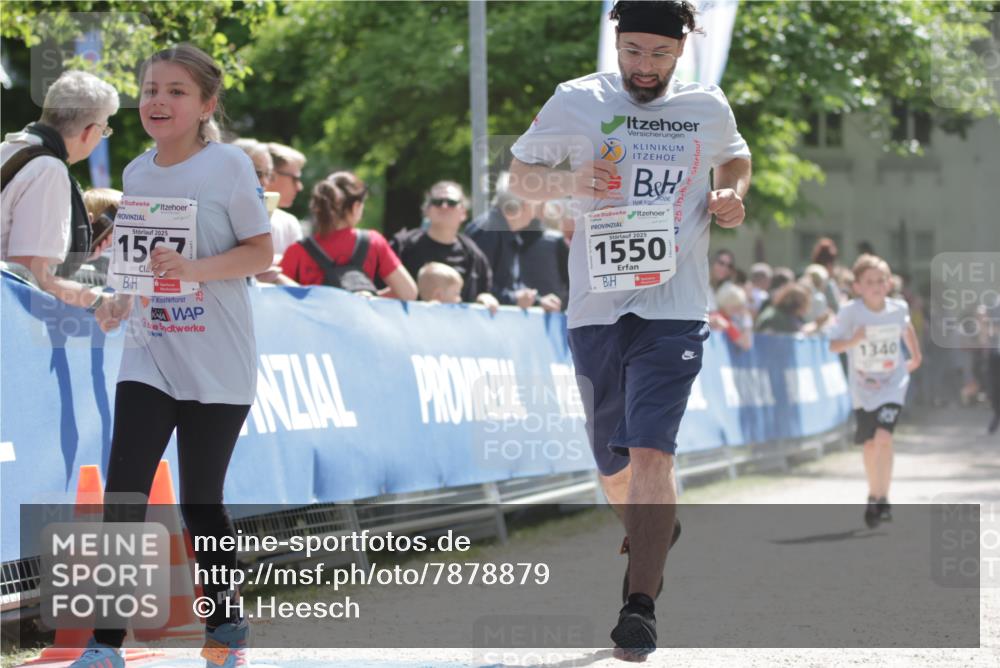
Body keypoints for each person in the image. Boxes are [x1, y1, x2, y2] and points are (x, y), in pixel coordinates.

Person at [507, 0, 752, 658]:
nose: (645, 67)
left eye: (660, 54)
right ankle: (652, 529)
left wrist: (731, 196)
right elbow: (519, 178)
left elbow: (734, 160)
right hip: (596, 306)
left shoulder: (707, 105)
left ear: (682, 51)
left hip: (675, 305)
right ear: (617, 45)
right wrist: (571, 178)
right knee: (612, 462)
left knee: (653, 452)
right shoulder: (575, 99)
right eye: (633, 52)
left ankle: (639, 605)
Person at [70, 44, 274, 668]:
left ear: (207, 103)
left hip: (218, 356)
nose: (158, 100)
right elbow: (138, 265)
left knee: (200, 502)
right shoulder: (135, 173)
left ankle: (226, 625)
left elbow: (261, 253)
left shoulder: (230, 167)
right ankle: (104, 646)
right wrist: (119, 298)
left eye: (176, 91)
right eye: (150, 88)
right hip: (152, 350)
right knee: (125, 494)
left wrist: (195, 269)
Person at [1, 70, 120, 323]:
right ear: (89, 131)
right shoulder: (48, 171)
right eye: (105, 129)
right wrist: (100, 300)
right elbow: (27, 279)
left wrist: (70, 249)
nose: (101, 137)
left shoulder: (10, 150)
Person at [828, 254, 922, 529]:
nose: (877, 286)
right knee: (870, 444)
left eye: (881, 280)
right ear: (857, 286)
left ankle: (883, 495)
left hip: (893, 383)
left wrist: (915, 356)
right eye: (870, 282)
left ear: (889, 282)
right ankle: (876, 494)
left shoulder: (898, 307)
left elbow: (907, 329)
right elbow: (833, 345)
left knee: (883, 437)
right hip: (863, 388)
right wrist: (853, 340)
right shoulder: (850, 312)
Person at [278, 171, 417, 299]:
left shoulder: (298, 251)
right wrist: (369, 298)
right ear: (356, 206)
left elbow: (278, 296)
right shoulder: (373, 242)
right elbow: (408, 292)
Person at [465, 172, 569, 312]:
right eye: (535, 205)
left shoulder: (505, 232)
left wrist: (538, 301)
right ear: (524, 206)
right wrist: (515, 298)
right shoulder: (488, 231)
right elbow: (476, 288)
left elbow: (510, 286)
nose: (534, 214)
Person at [390, 181, 499, 311]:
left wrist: (484, 298)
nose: (444, 206)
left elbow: (485, 292)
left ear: (463, 212)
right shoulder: (402, 246)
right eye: (437, 202)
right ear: (427, 210)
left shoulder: (474, 256)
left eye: (452, 202)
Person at [266, 142, 307, 243]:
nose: (299, 187)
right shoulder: (237, 220)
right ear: (271, 176)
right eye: (295, 178)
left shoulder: (289, 223)